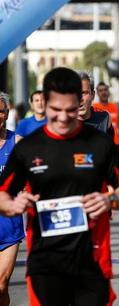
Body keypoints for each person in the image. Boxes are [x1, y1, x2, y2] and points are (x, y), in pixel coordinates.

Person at [0, 67, 119, 306]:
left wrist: (109, 200)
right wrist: (12, 204)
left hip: (91, 256)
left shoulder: (99, 143)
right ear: (44, 105)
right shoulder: (28, 148)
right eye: (56, 110)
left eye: (70, 110)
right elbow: (2, 194)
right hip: (46, 260)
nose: (63, 117)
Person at [0, 92, 23, 306]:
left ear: (6, 114)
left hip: (9, 225)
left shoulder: (17, 142)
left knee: (1, 285)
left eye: (0, 111)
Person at [94, 82, 119, 147]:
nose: (103, 92)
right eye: (100, 90)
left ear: (108, 91)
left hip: (116, 144)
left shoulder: (115, 107)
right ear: (96, 93)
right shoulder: (94, 107)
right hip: (101, 144)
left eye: (105, 90)